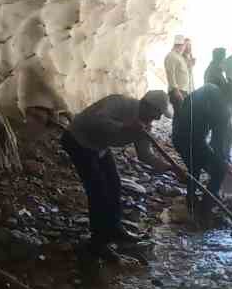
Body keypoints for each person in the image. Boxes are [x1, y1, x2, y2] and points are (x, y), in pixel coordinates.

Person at [62, 89, 171, 252]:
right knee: (97, 189)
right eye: (157, 113)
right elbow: (96, 120)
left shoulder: (144, 126)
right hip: (78, 140)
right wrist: (125, 126)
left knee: (114, 184)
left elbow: (144, 155)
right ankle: (98, 241)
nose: (157, 118)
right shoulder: (120, 102)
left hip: (100, 146)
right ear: (146, 105)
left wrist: (167, 167)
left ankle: (115, 229)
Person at [171, 82, 232, 213]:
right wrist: (224, 161)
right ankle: (206, 205)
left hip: (178, 136)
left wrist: (223, 156)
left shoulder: (208, 88)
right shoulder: (223, 108)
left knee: (193, 168)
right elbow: (217, 142)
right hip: (192, 139)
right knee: (219, 171)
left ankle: (192, 201)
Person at [163, 34, 192, 113]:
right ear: (180, 45)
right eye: (184, 45)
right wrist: (176, 90)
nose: (185, 48)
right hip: (177, 91)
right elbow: (170, 74)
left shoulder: (178, 56)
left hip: (182, 91)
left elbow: (182, 71)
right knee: (180, 115)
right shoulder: (171, 56)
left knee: (182, 114)